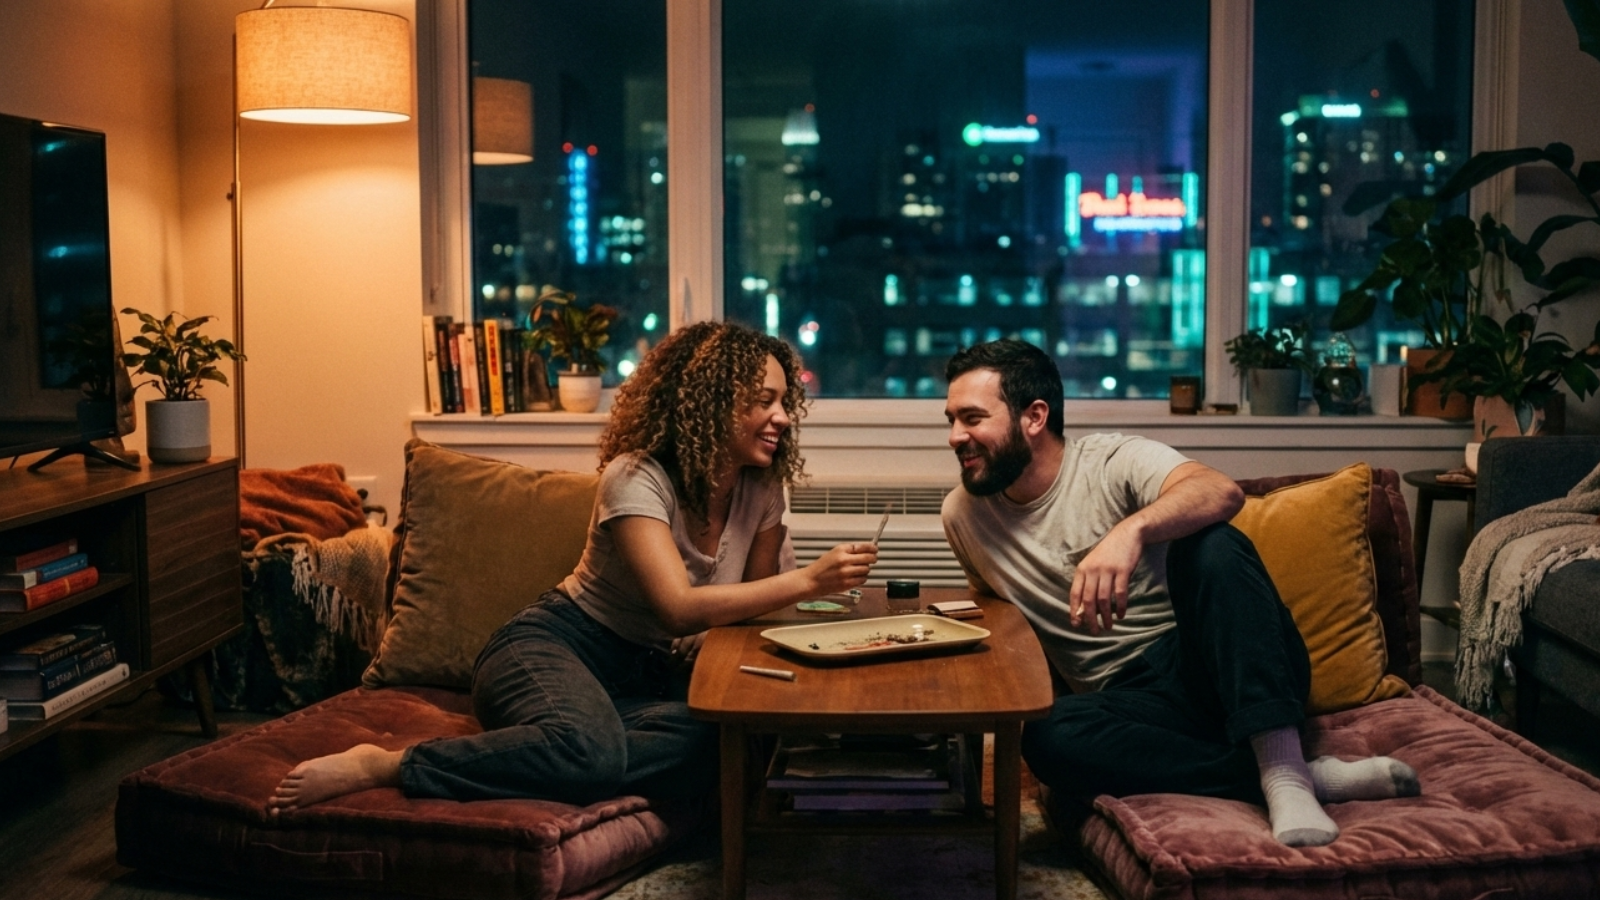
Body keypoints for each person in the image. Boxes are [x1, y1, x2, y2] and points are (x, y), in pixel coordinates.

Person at [269, 322, 878, 811]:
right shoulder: (637, 477)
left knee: (729, 737)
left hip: (644, 676)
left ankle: (548, 752)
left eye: (785, 401)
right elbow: (675, 608)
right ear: (712, 402)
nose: (782, 417)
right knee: (591, 753)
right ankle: (391, 764)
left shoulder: (762, 486)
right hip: (554, 646)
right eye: (763, 401)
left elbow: (757, 601)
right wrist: (810, 579)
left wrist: (820, 605)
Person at [939, 339, 1418, 847]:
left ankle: (1284, 769)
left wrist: (1131, 532)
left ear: (1034, 417)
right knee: (1046, 737)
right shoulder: (963, 515)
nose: (954, 437)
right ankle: (1301, 775)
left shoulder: (1113, 461)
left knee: (1212, 543)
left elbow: (1220, 491)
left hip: (1221, 662)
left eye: (972, 418)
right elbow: (1003, 619)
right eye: (950, 419)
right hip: (1128, 703)